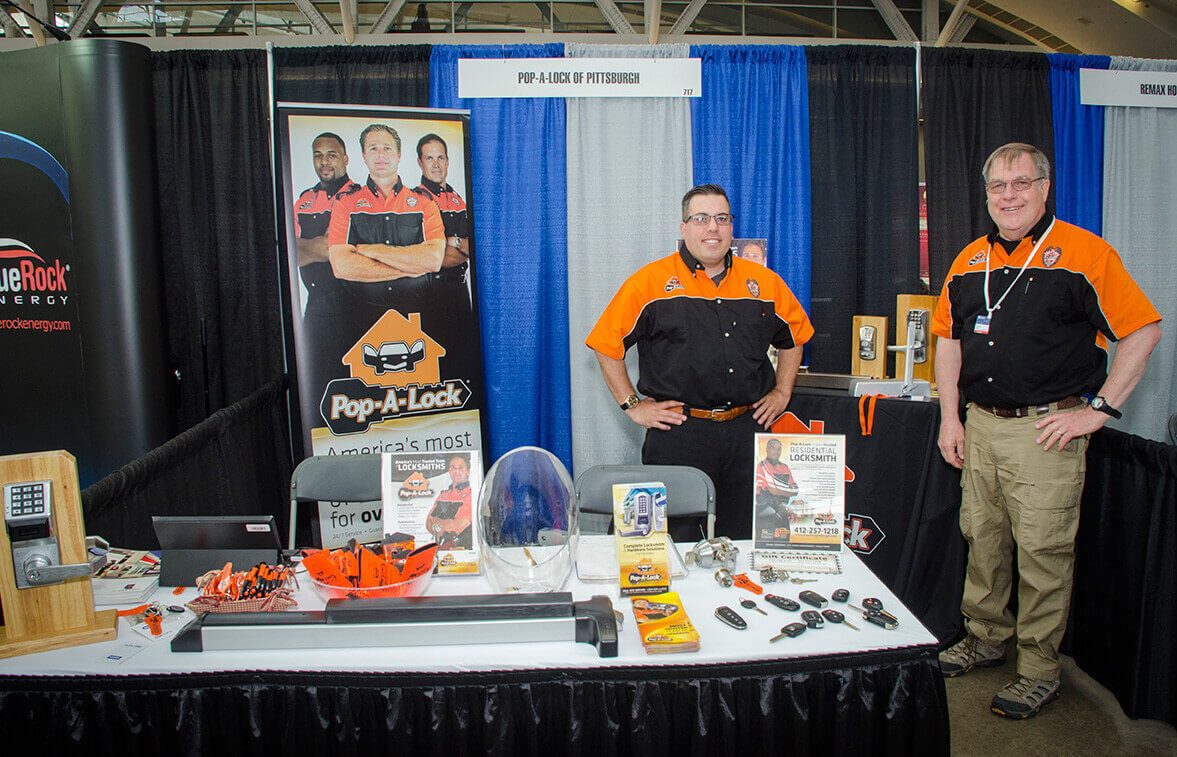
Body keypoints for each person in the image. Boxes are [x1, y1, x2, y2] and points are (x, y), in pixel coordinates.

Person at [932, 143, 1161, 719]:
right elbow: (948, 341)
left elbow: (1143, 331)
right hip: (980, 426)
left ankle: (1038, 669)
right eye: (998, 186)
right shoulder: (969, 260)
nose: (1008, 195)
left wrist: (1098, 411)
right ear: (986, 194)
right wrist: (950, 417)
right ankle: (985, 637)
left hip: (1044, 432)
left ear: (1044, 188)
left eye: (1021, 183)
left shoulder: (1085, 253)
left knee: (1042, 551)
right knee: (982, 539)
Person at [586, 184, 814, 539]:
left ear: (731, 226)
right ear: (684, 227)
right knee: (670, 542)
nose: (712, 227)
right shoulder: (650, 282)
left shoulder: (764, 283)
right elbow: (605, 343)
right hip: (679, 434)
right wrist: (633, 405)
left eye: (722, 218)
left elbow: (796, 336)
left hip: (748, 433)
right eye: (701, 218)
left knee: (745, 540)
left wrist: (783, 391)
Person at [327, 124, 446, 378]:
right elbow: (341, 266)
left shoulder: (424, 203)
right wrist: (411, 266)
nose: (380, 154)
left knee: (419, 388)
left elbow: (434, 260)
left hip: (417, 316)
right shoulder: (345, 204)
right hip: (360, 318)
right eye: (373, 148)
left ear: (399, 155)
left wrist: (371, 250)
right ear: (363, 156)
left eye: (387, 148)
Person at [293, 132, 359, 393]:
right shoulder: (304, 199)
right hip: (316, 307)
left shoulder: (358, 195)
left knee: (353, 387)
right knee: (316, 386)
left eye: (331, 155)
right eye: (318, 155)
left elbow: (334, 250)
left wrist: (307, 246)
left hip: (353, 304)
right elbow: (290, 252)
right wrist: (319, 246)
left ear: (345, 159)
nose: (324, 161)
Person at [413, 134, 478, 382]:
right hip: (430, 295)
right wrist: (457, 247)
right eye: (429, 158)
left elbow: (475, 248)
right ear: (420, 163)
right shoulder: (415, 200)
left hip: (460, 293)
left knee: (463, 367)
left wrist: (455, 242)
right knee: (436, 371)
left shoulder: (457, 199)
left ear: (448, 161)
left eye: (441, 158)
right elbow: (435, 257)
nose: (436, 164)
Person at [425, 454, 473, 550]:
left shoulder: (471, 494)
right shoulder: (443, 495)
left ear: (468, 471)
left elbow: (455, 527)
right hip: (440, 551)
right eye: (453, 468)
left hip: (463, 551)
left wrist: (437, 522)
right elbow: (428, 523)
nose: (456, 471)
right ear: (449, 471)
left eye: (460, 468)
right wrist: (446, 524)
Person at [754, 438, 798, 541]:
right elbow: (771, 490)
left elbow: (795, 490)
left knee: (784, 539)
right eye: (773, 448)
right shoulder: (760, 467)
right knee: (765, 539)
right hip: (765, 508)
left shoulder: (785, 468)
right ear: (767, 450)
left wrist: (777, 489)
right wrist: (786, 490)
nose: (776, 451)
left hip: (782, 508)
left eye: (778, 449)